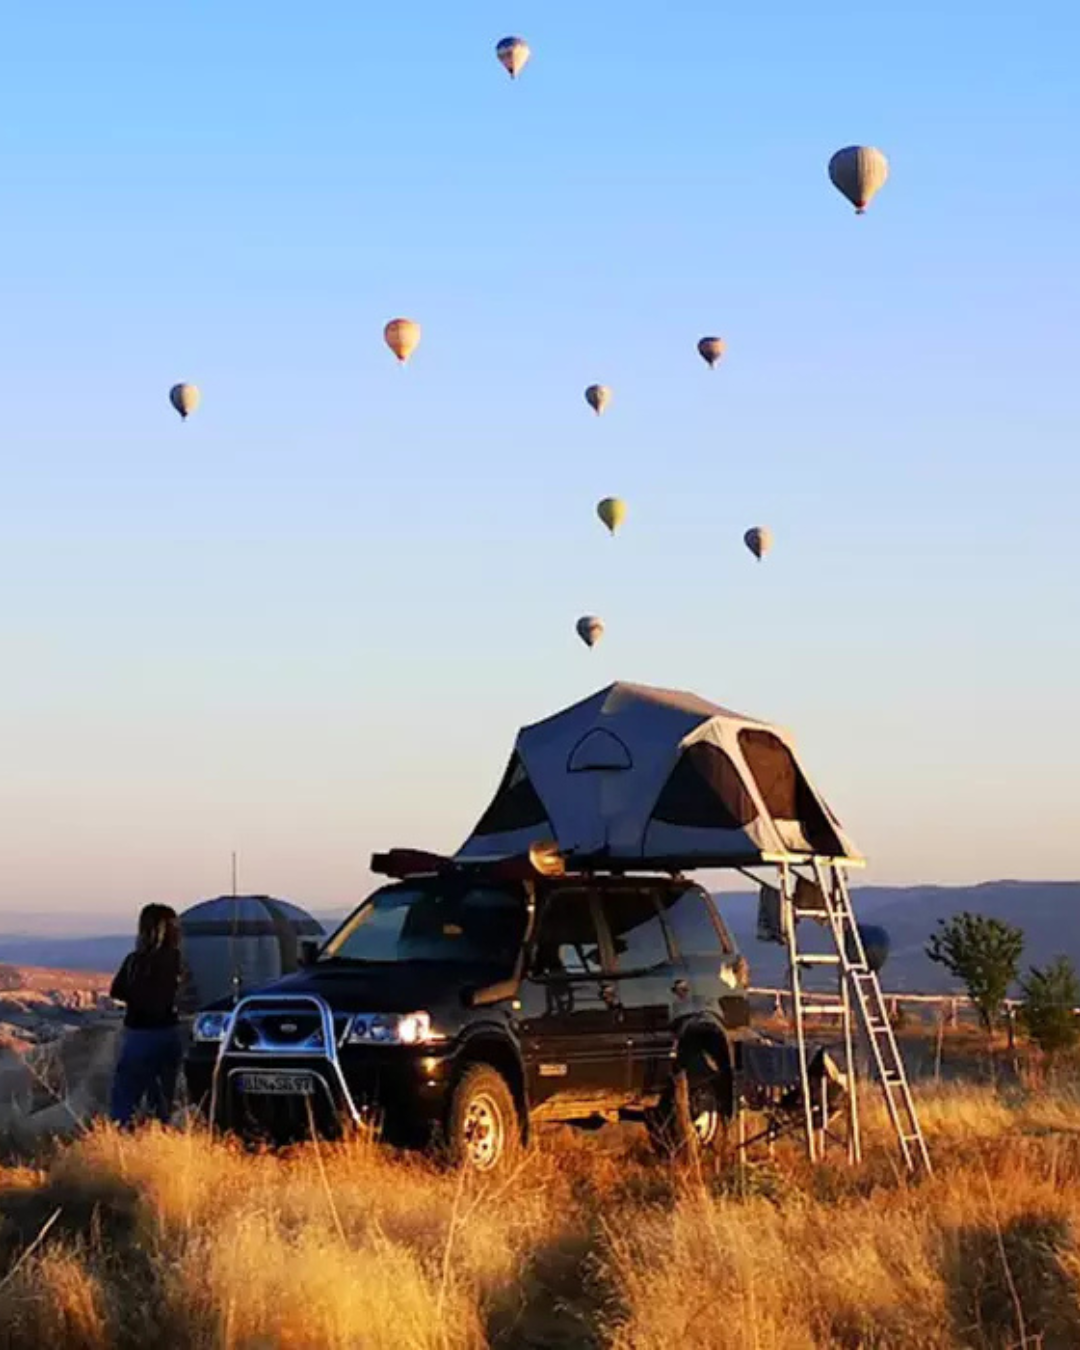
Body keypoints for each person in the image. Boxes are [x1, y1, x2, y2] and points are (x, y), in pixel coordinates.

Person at [109, 904, 184, 1127]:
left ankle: (121, 1137)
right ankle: (159, 1135)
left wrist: (137, 997)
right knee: (162, 1097)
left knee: (125, 1097)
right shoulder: (179, 960)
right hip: (169, 1032)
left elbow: (116, 991)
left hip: (139, 1035)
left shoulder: (135, 961)